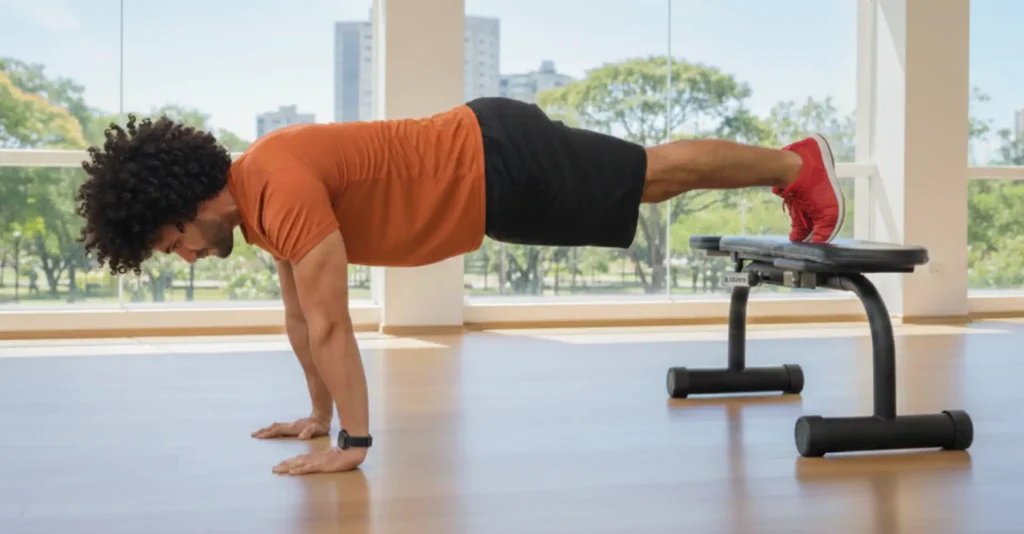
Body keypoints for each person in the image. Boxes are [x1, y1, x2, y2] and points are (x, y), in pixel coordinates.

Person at [75, 96, 846, 476]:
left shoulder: (279, 186)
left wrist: (355, 444)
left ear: (191, 201)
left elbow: (335, 324)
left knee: (650, 177)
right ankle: (791, 170)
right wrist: (317, 417)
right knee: (644, 182)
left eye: (172, 240)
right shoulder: (261, 203)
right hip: (491, 184)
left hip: (498, 160)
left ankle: (795, 164)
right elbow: (303, 322)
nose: (184, 256)